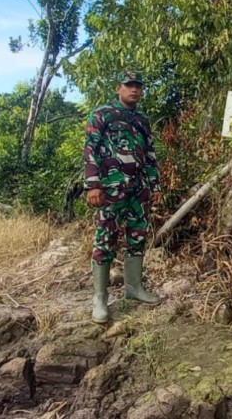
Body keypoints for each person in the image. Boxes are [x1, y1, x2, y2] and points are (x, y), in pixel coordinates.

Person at [83, 71, 163, 323]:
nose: (135, 90)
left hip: (139, 190)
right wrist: (93, 184)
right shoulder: (102, 114)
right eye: (129, 86)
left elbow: (149, 153)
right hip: (110, 189)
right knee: (105, 239)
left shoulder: (142, 119)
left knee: (137, 236)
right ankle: (100, 298)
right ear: (119, 88)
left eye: (138, 86)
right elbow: (90, 150)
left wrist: (155, 184)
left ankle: (134, 288)